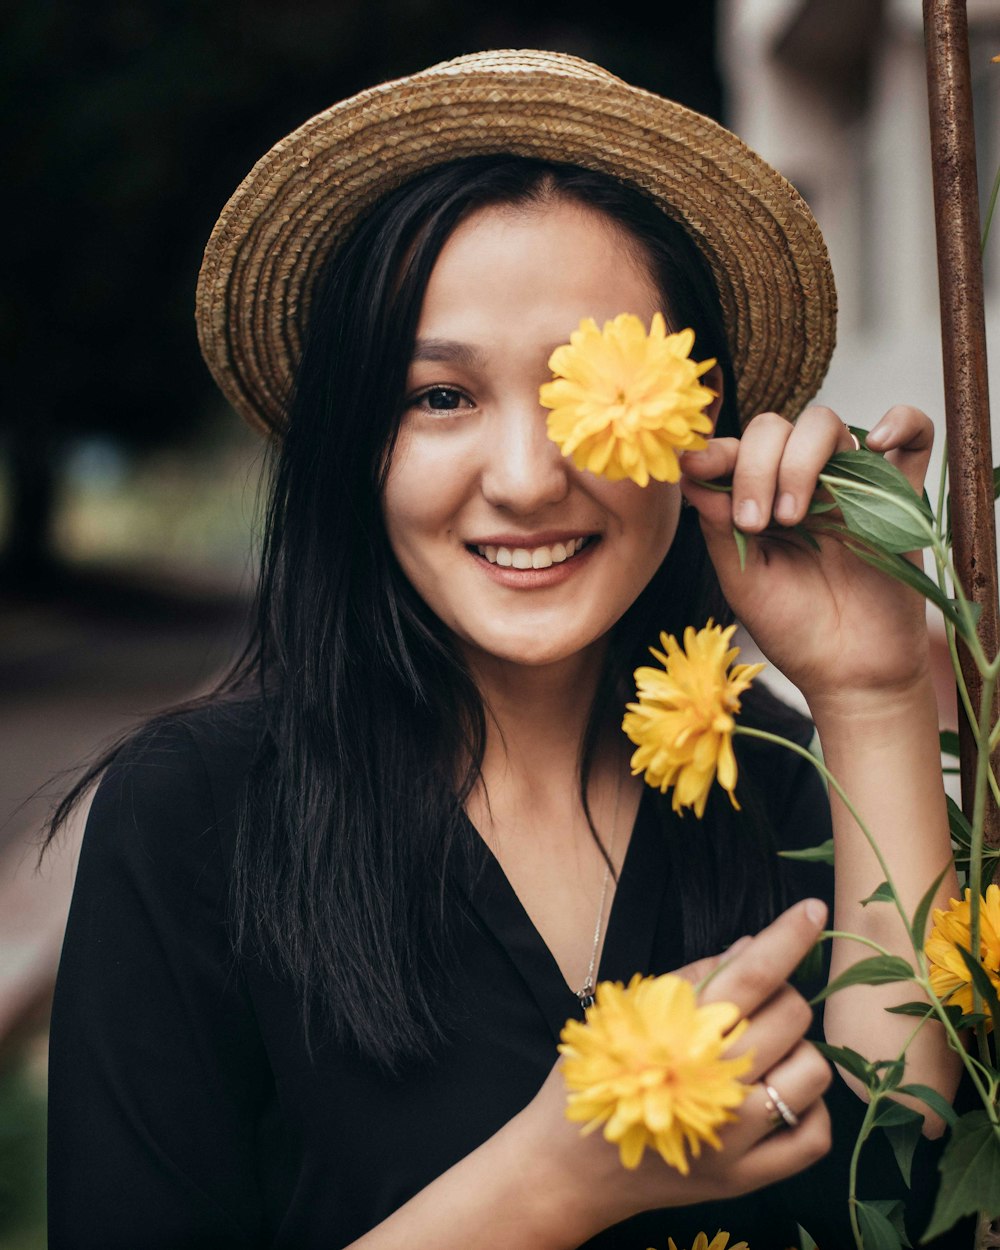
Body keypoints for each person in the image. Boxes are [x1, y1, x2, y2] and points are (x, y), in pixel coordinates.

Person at [47, 50, 964, 1249]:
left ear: (695, 424)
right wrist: (551, 1183)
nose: (529, 480)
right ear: (352, 446)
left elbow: (910, 1210)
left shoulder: (793, 784)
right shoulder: (195, 821)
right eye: (440, 396)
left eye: (588, 392)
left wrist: (878, 689)